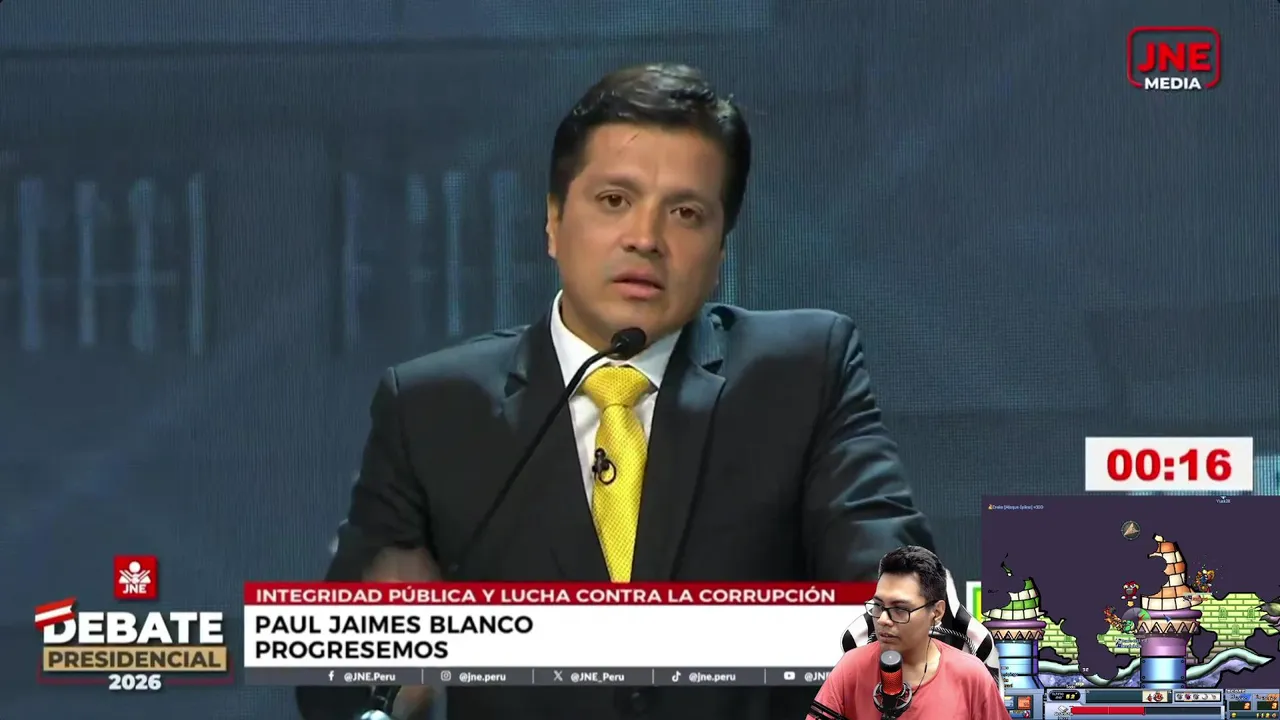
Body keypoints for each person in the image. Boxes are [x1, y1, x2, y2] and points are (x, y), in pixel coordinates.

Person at [298, 62, 934, 720]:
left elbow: (899, 601)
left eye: (685, 213)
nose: (645, 239)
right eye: (613, 201)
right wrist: (387, 659)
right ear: (553, 221)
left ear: (720, 251)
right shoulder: (432, 410)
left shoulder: (803, 374)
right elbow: (327, 691)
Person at [808, 546, 1008, 720]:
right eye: (878, 606)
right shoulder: (850, 668)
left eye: (900, 609)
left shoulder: (972, 676)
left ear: (937, 612)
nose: (883, 620)